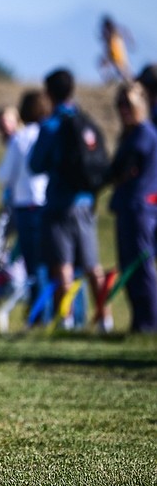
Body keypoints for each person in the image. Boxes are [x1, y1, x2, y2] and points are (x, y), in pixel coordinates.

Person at [29, 67, 110, 331]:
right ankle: (105, 318)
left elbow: (36, 164)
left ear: (49, 93)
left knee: (63, 265)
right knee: (92, 265)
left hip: (59, 203)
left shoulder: (52, 125)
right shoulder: (85, 120)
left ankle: (66, 319)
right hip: (85, 202)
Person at [0, 90, 50, 327]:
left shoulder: (22, 138)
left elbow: (5, 174)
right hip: (51, 204)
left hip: (27, 206)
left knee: (34, 265)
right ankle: (63, 316)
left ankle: (38, 316)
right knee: (53, 263)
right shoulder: (51, 134)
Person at [106, 83, 157, 333]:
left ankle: (149, 322)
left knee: (140, 267)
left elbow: (125, 170)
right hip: (128, 207)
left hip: (139, 209)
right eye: (120, 104)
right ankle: (140, 322)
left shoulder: (144, 134)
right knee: (129, 268)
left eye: (129, 104)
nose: (124, 110)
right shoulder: (131, 134)